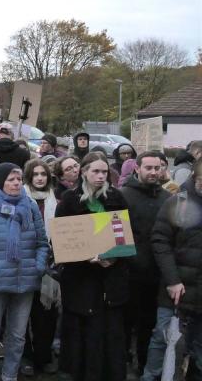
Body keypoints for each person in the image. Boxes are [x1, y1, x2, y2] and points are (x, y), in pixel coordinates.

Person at [0, 162, 48, 381]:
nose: (16, 183)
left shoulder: (30, 206)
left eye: (19, 179)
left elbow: (42, 243)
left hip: (25, 281)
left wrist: (38, 267)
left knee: (17, 336)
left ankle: (9, 376)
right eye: (11, 179)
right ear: (0, 182)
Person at [55, 153, 129, 381]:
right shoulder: (69, 199)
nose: (100, 176)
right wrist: (85, 256)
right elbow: (61, 240)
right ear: (84, 172)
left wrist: (114, 257)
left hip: (110, 280)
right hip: (80, 279)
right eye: (95, 171)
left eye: (104, 172)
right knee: (81, 334)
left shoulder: (116, 197)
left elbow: (123, 235)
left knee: (108, 333)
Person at [142, 159, 202, 379]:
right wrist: (173, 279)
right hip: (176, 289)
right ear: (195, 178)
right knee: (163, 339)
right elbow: (160, 241)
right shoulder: (178, 203)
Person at [118, 151, 170, 376]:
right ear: (137, 169)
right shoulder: (123, 196)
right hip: (128, 272)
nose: (153, 172)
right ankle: (121, 363)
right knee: (125, 324)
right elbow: (117, 233)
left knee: (149, 324)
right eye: (148, 168)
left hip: (157, 274)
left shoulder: (168, 199)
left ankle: (144, 364)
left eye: (157, 168)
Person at [20, 159, 60, 376]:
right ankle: (25, 356)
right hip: (25, 264)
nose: (40, 178)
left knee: (47, 314)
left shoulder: (57, 201)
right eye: (35, 174)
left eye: (43, 174)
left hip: (50, 266)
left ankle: (43, 356)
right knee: (23, 314)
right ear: (29, 177)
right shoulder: (20, 200)